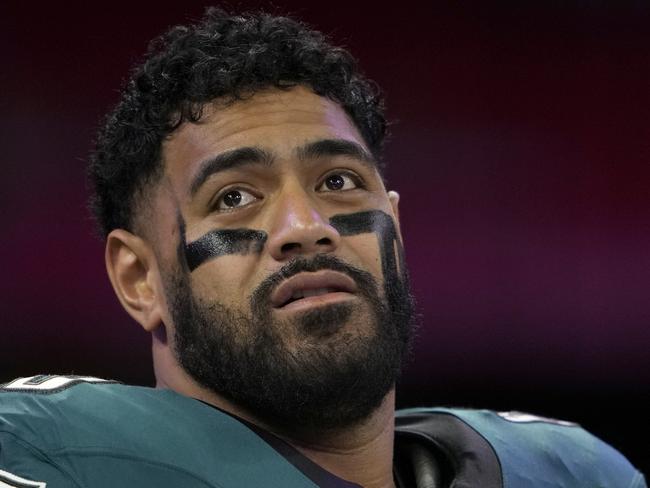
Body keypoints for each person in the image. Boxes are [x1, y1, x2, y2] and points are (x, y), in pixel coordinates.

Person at [0, 8, 645, 488]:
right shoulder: (42, 455)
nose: (306, 226)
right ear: (140, 279)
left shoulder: (576, 474)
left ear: (395, 227)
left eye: (338, 182)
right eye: (234, 197)